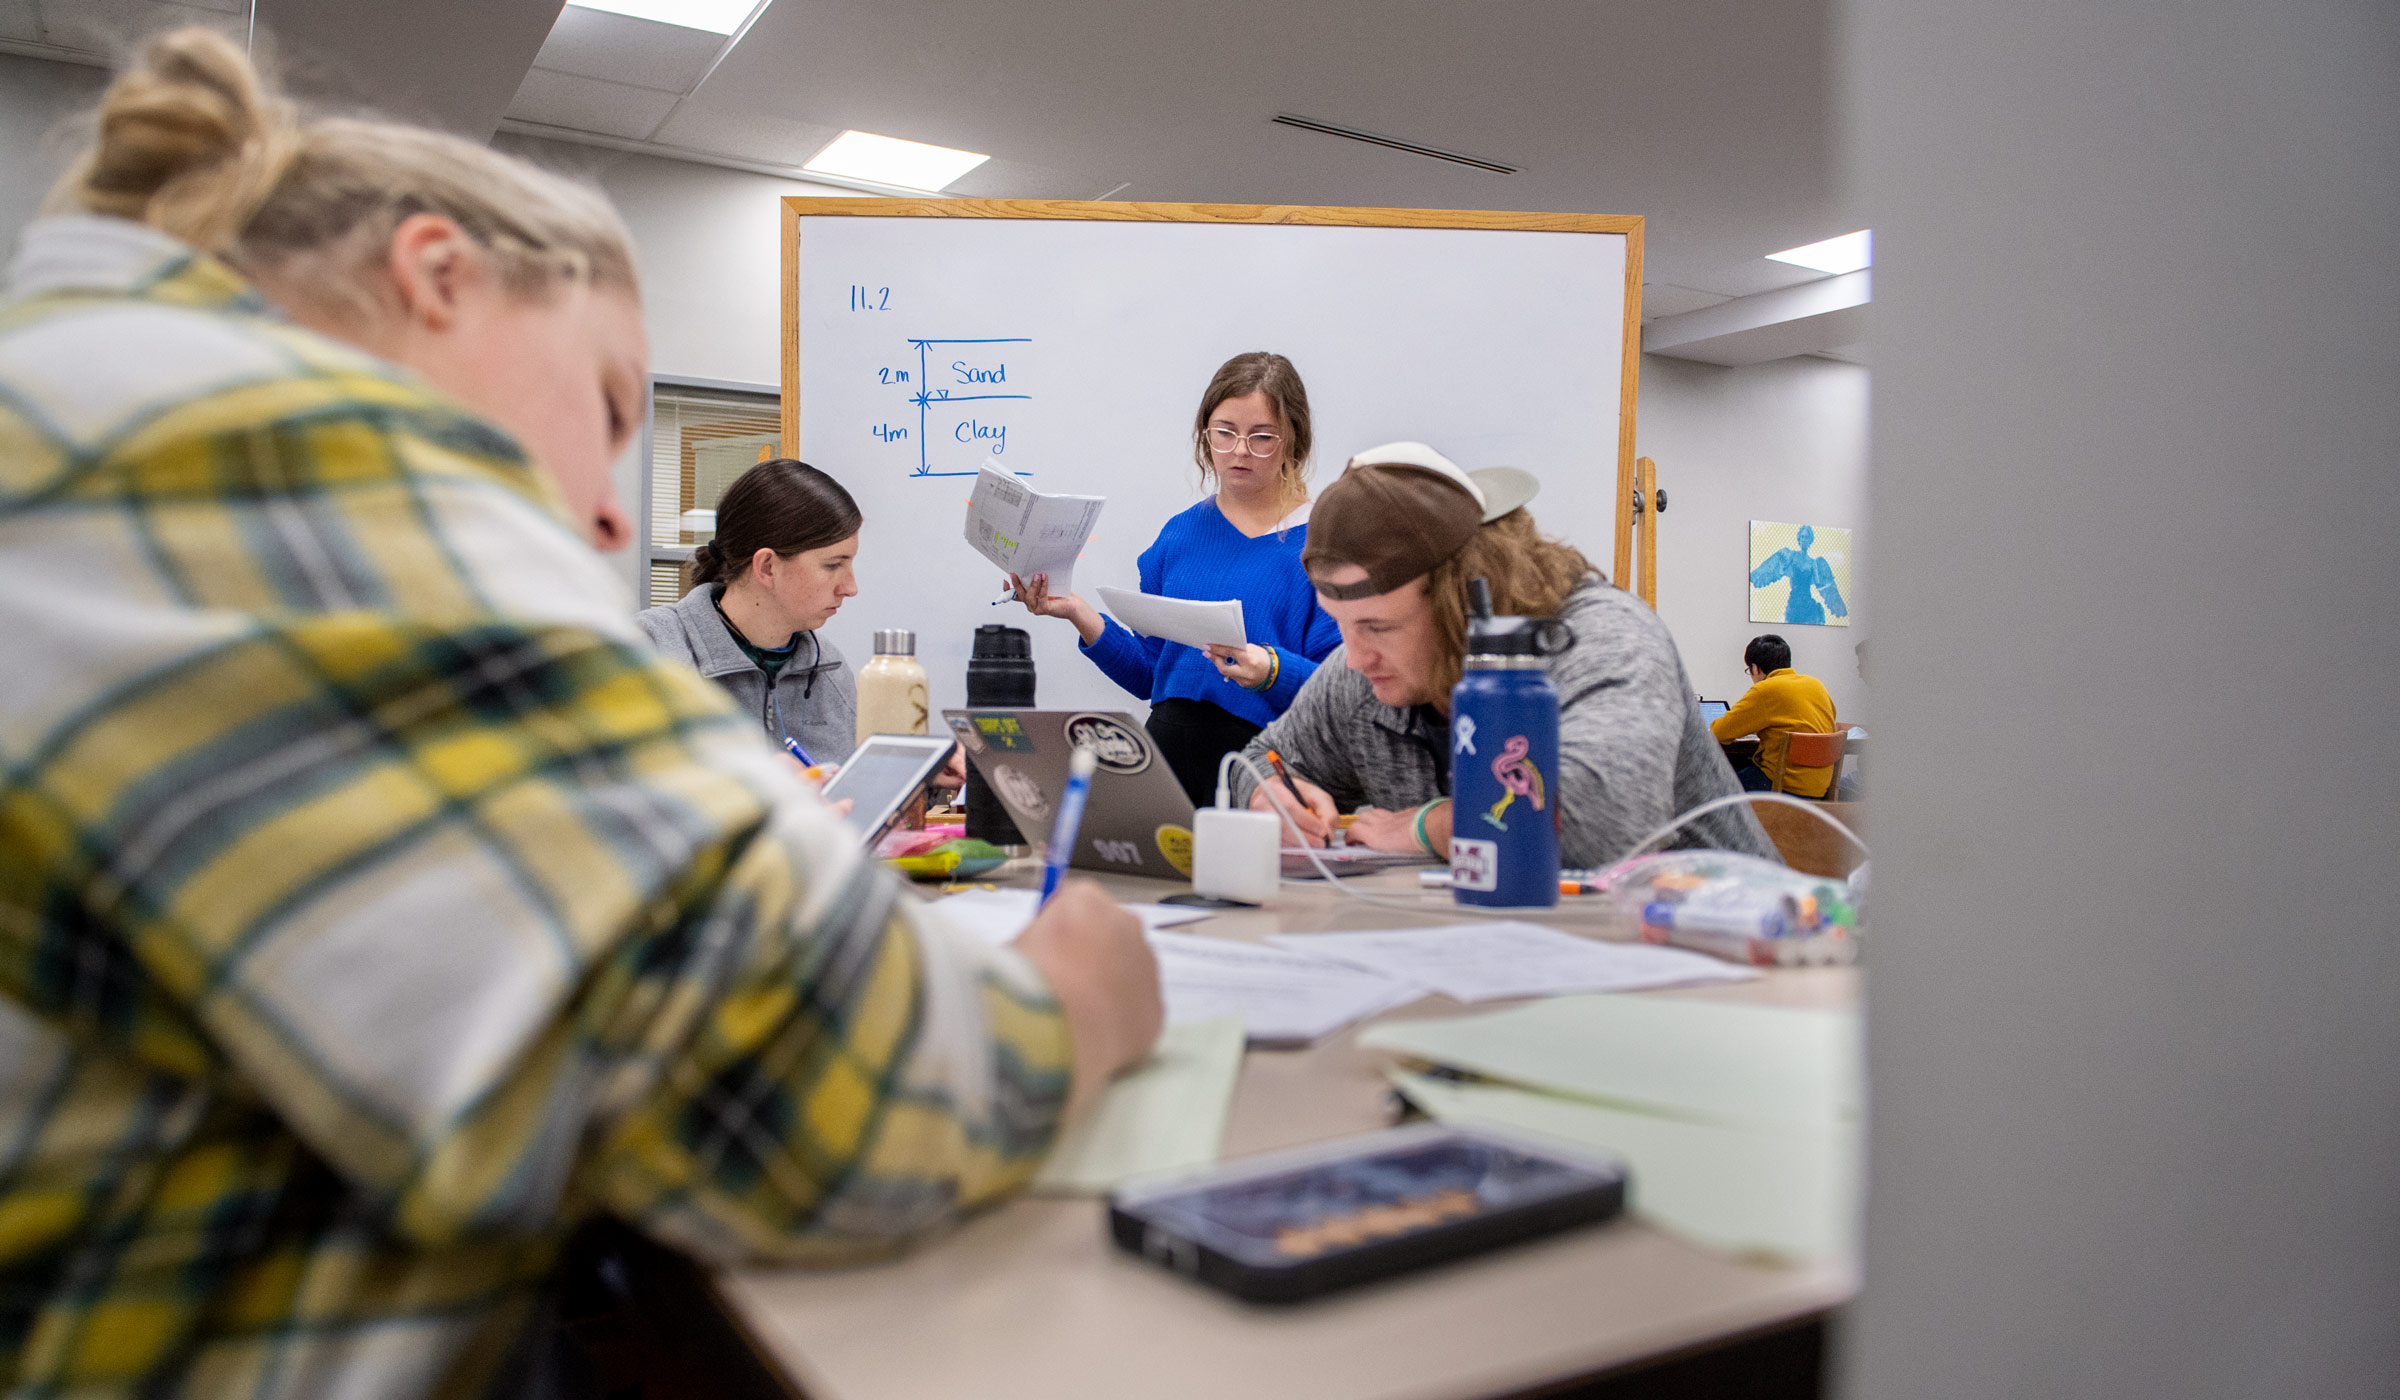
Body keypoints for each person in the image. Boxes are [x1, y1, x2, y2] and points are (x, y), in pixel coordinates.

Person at [0, 30, 1159, 1399]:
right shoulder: (257, 471)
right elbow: (827, 1101)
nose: (612, 514)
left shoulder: (84, 426)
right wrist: (1078, 1005)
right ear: (436, 277)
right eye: (607, 405)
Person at [1231, 443, 1775, 868]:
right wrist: (1271, 797)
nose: (1354, 658)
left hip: (1735, 960)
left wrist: (1430, 827)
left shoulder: (1604, 639)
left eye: (1378, 626)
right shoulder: (1366, 680)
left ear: (1465, 605)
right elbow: (1265, 758)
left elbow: (1601, 824)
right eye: (1341, 625)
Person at [1009, 352, 1342, 803]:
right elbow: (1151, 675)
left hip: (1262, 771)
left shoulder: (1324, 542)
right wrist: (1078, 613)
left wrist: (1270, 670)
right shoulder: (1179, 534)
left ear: (1292, 441)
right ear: (1205, 434)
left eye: (1261, 437)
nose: (1239, 451)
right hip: (1166, 761)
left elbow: (1342, 694)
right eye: (1224, 433)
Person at [638, 458, 861, 763]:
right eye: (833, 565)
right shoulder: (649, 650)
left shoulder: (829, 667)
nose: (850, 587)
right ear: (767, 567)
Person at [1710, 634, 1840, 796]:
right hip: (1819, 788)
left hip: (1782, 787)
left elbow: (1718, 733)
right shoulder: (1816, 685)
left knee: (1712, 784)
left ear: (1755, 668)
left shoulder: (1766, 689)